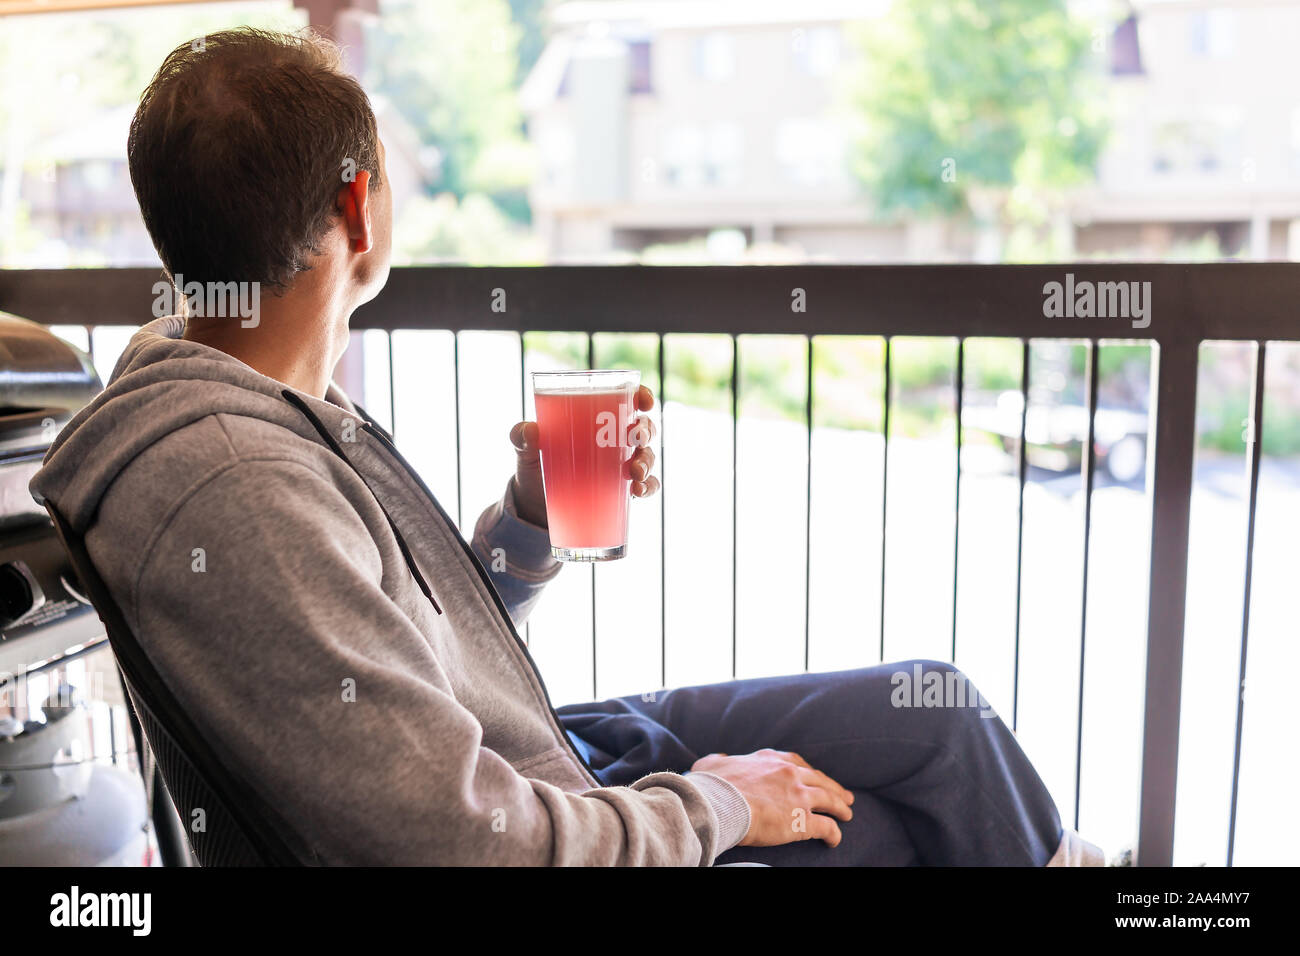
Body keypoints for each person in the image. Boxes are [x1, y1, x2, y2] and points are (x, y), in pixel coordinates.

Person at [32, 27, 1102, 866]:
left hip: (547, 753)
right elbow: (454, 840)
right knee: (913, 826)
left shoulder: (254, 412)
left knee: (938, 707)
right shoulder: (238, 479)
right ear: (359, 208)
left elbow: (402, 664)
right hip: (534, 811)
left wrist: (531, 518)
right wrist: (719, 803)